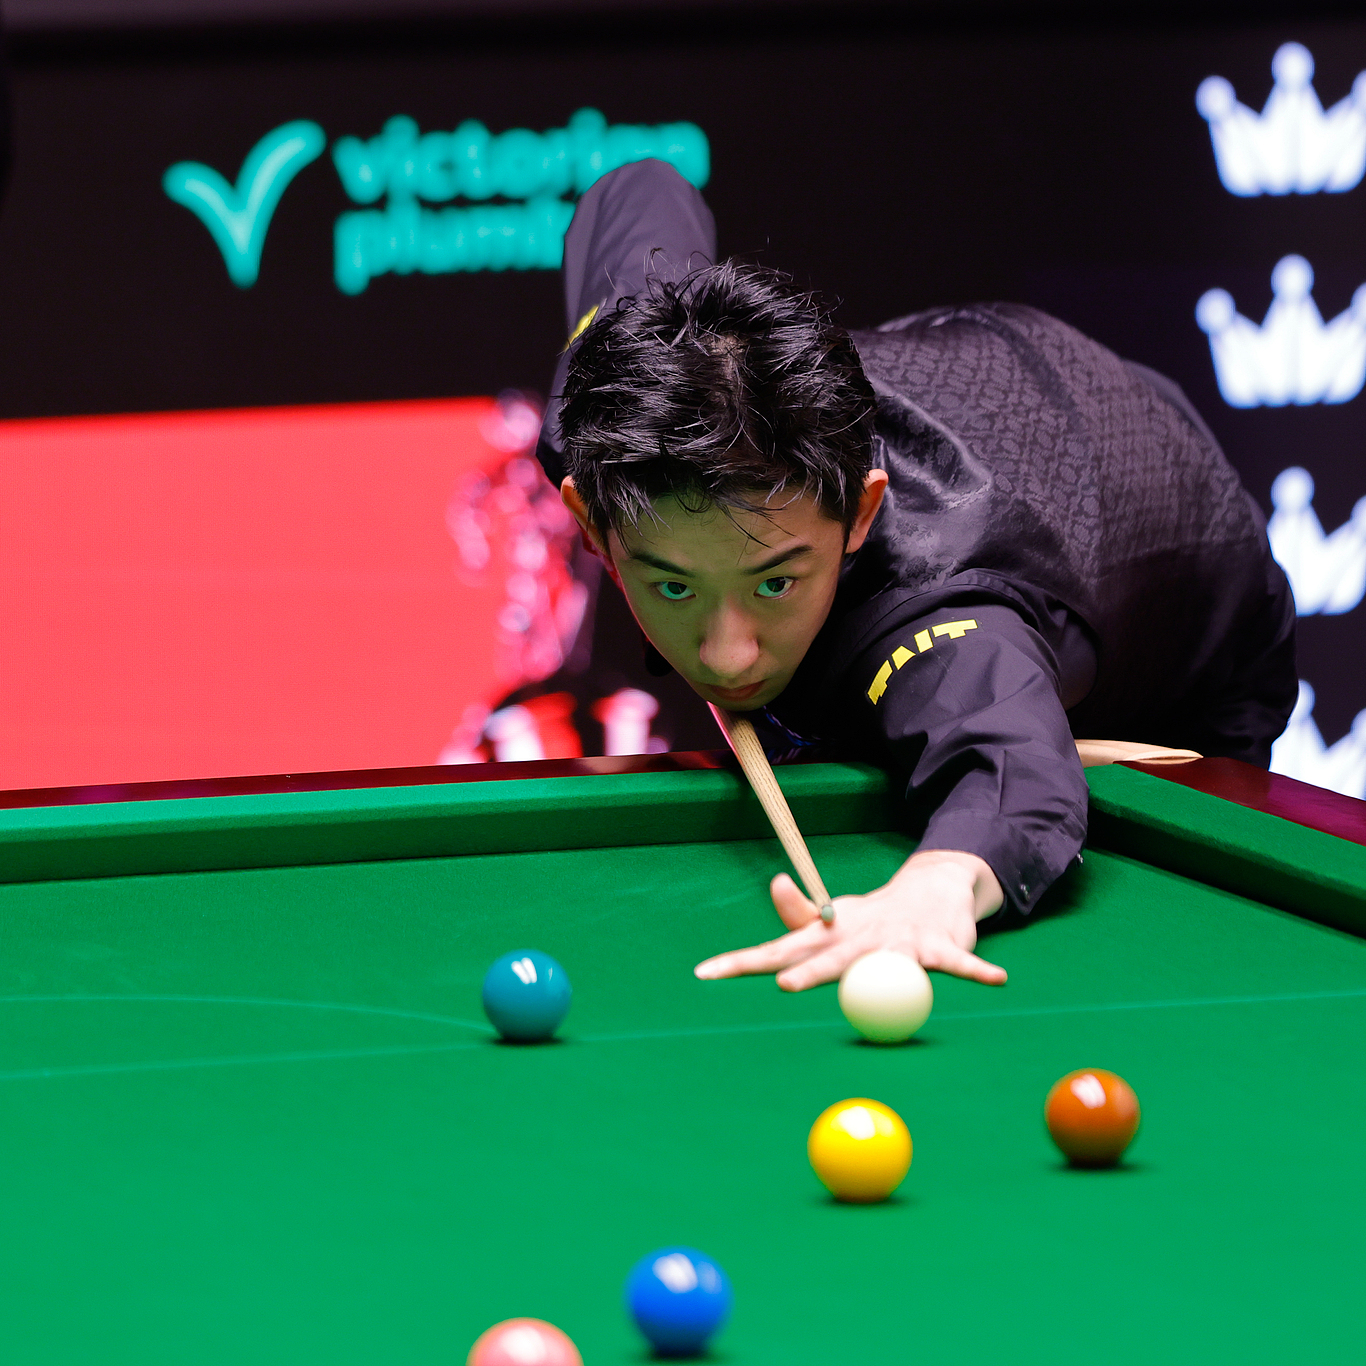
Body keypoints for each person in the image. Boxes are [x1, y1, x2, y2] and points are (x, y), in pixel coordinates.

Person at [539, 160, 1295, 991]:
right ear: (592, 525)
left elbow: (1015, 770)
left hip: (1183, 585)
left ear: (860, 514)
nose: (728, 657)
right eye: (675, 587)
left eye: (774, 584)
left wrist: (935, 888)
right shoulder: (619, 405)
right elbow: (641, 188)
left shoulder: (932, 594)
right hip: (991, 377)